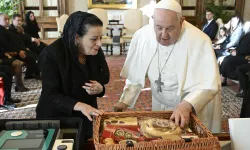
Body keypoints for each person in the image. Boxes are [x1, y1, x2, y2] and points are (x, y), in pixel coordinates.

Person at [114, 0, 221, 133]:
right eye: (158, 27)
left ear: (181, 21)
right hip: (159, 103)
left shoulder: (199, 40)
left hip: (191, 106)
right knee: (162, 137)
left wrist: (187, 104)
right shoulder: (143, 36)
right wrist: (125, 100)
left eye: (170, 28)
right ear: (153, 20)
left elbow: (208, 84)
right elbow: (135, 72)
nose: (163, 35)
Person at [36, 11, 110, 142]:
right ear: (77, 38)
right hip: (56, 115)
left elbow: (103, 79)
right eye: (94, 39)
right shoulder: (52, 54)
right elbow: (50, 95)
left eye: (101, 37)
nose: (99, 43)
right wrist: (81, 106)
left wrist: (100, 89)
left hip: (85, 112)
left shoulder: (95, 51)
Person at [220, 23, 250, 87]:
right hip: (241, 54)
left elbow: (247, 49)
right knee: (227, 58)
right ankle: (223, 78)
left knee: (228, 60)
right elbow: (240, 46)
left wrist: (237, 52)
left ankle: (225, 78)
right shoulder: (246, 34)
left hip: (246, 56)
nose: (244, 27)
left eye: (246, 26)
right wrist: (235, 50)